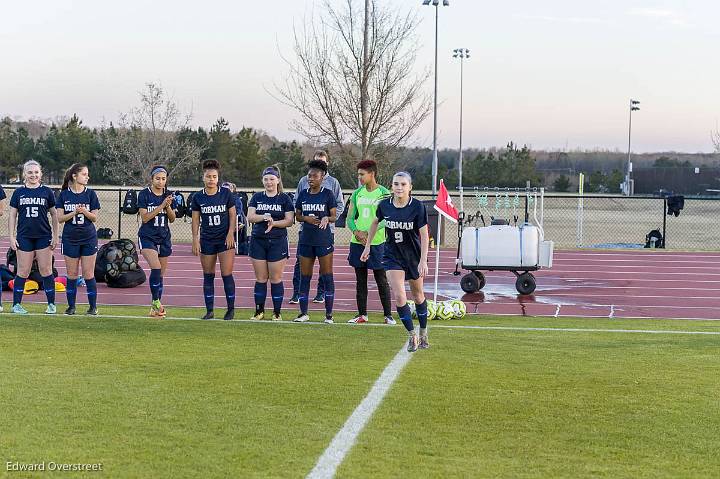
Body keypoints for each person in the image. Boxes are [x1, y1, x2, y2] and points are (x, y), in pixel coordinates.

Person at [361, 172, 430, 352]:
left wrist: (423, 261)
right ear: (391, 186)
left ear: (410, 187)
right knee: (399, 296)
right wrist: (368, 246)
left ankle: (423, 331)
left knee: (418, 296)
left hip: (413, 256)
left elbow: (424, 234)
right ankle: (411, 336)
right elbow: (375, 222)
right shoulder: (385, 205)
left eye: (403, 184)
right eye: (396, 184)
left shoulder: (417, 207)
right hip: (392, 256)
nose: (399, 188)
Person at [289, 150, 343, 304]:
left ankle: (320, 293)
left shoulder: (333, 183)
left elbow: (339, 204)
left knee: (324, 266)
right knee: (300, 262)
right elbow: (296, 202)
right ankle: (297, 293)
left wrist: (329, 220)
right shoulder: (303, 181)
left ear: (327, 164)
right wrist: (305, 218)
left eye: (323, 161)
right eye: (317, 160)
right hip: (306, 231)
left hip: (326, 232)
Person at [8, 160, 60, 314]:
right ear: (25, 174)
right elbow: (12, 216)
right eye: (30, 172)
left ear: (41, 174)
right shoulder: (18, 192)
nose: (33, 175)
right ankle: (16, 305)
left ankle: (51, 304)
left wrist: (56, 236)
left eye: (36, 172)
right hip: (24, 236)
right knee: (23, 271)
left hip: (43, 236)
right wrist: (11, 236)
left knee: (46, 270)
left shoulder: (47, 192)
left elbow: (54, 215)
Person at [346, 160, 395, 325]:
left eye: (362, 174)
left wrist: (370, 233)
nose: (359, 177)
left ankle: (388, 315)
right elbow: (350, 218)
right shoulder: (356, 193)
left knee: (381, 279)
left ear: (372, 174)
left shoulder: (384, 193)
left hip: (377, 243)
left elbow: (388, 218)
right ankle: (362, 315)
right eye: (358, 174)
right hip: (357, 242)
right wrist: (356, 232)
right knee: (360, 280)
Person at [246, 167, 295, 320]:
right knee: (260, 278)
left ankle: (277, 312)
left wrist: (274, 223)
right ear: (262, 181)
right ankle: (259, 311)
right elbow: (250, 217)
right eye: (266, 179)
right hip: (258, 241)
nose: (269, 182)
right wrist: (264, 217)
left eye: (272, 179)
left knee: (276, 278)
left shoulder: (285, 198)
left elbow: (289, 220)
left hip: (277, 241)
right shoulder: (257, 197)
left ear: (278, 180)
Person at [191, 159, 237, 320]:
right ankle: (209, 310)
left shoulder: (225, 193)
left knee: (226, 274)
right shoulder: (198, 197)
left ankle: (230, 309)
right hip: (207, 239)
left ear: (218, 178)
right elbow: (196, 220)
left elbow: (233, 215)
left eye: (214, 177)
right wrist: (195, 239)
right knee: (208, 274)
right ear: (203, 177)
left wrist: (231, 232)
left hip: (224, 239)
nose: (211, 179)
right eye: (208, 176)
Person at [293, 160, 337, 323]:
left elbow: (334, 216)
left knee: (327, 276)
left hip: (323, 240)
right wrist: (306, 218)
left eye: (314, 176)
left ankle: (329, 315)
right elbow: (297, 216)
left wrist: (326, 217)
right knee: (305, 276)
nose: (310, 178)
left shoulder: (328, 194)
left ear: (322, 177)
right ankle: (303, 313)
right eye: (309, 175)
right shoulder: (303, 194)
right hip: (306, 240)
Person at [56, 163, 101, 315]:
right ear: (74, 176)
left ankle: (93, 307)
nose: (87, 177)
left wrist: (85, 212)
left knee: (88, 274)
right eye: (84, 174)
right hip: (70, 238)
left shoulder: (91, 194)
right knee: (72, 274)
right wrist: (74, 212)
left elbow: (94, 217)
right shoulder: (64, 195)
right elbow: (60, 218)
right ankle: (71, 307)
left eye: (87, 174)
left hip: (88, 238)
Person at [137, 165, 176, 318]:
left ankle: (154, 308)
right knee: (156, 267)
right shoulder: (144, 195)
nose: (161, 182)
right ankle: (155, 301)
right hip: (148, 236)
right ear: (152, 179)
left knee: (160, 275)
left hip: (164, 236)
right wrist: (161, 206)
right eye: (158, 179)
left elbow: (172, 219)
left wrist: (168, 207)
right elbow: (145, 218)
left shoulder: (169, 195)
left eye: (163, 179)